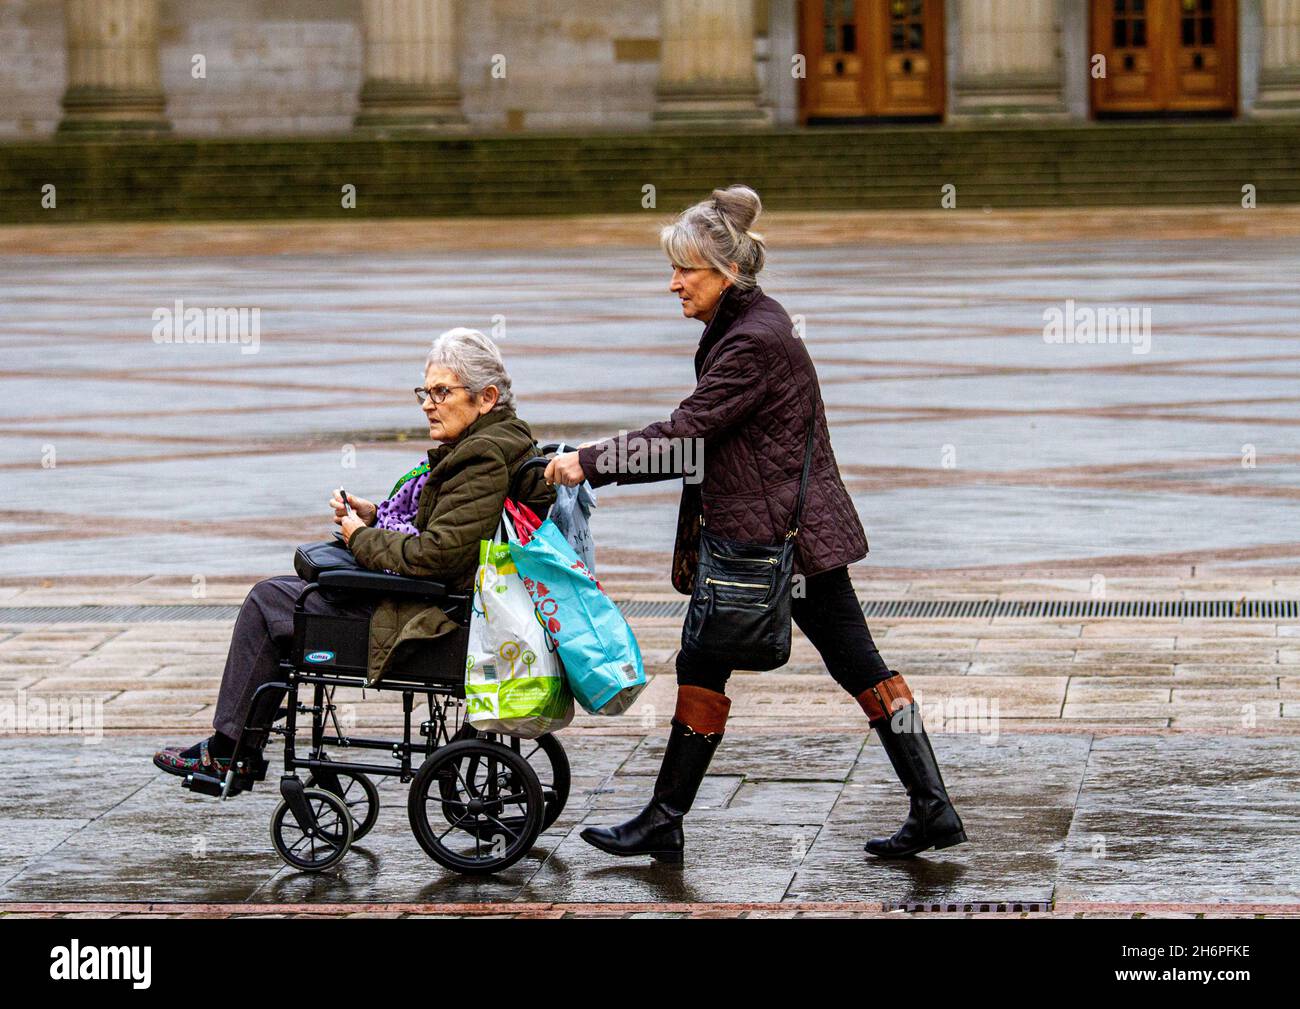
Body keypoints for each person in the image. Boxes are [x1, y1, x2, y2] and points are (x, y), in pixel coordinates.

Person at [545, 185, 967, 861]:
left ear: (728, 272)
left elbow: (685, 434)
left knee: (851, 663)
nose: (672, 283)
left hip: (780, 543)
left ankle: (928, 802)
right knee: (725, 660)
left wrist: (585, 463)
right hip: (778, 533)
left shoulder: (753, 342)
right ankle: (669, 814)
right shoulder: (750, 326)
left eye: (686, 269)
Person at [154, 328, 554, 777]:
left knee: (269, 602)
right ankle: (237, 743)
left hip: (431, 620)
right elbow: (452, 529)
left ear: (486, 398)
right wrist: (377, 514)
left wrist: (358, 537)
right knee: (296, 586)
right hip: (444, 603)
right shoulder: (505, 441)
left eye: (442, 392)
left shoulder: (480, 456)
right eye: (425, 391)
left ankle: (230, 751)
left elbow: (437, 554)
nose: (427, 403)